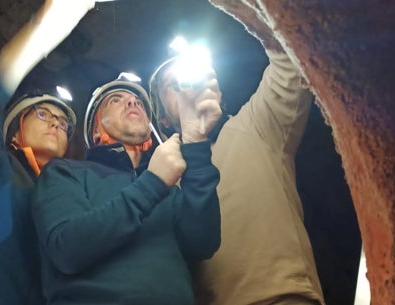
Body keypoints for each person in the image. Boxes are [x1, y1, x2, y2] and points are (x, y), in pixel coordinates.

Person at [149, 46, 325, 305]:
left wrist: (251, 6)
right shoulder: (163, 175)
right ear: (162, 118)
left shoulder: (257, 123)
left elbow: (291, 57)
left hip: (281, 297)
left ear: (216, 89)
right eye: (173, 84)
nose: (186, 86)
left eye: (191, 76)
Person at [0, 0, 94, 305]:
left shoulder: (70, 192)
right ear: (14, 134)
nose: (57, 123)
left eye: (63, 123)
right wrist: (48, 25)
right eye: (43, 114)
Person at [31, 76, 223, 305]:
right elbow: (67, 250)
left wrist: (196, 145)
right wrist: (153, 183)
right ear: (95, 130)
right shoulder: (66, 172)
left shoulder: (167, 188)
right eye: (116, 100)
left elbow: (202, 244)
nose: (133, 102)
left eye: (139, 102)